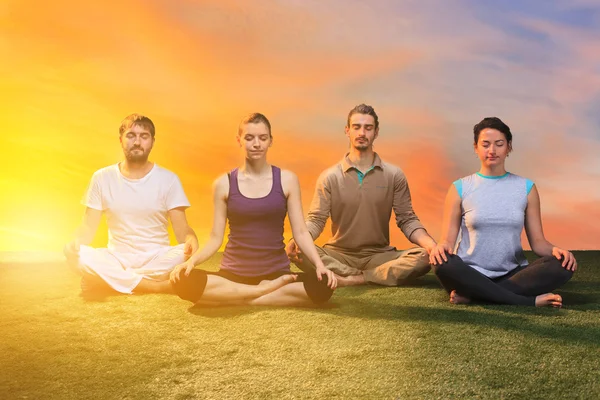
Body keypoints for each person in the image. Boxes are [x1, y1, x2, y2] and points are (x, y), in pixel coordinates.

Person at [64, 113, 292, 301]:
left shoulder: (168, 179)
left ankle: (108, 280)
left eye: (144, 136)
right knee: (80, 257)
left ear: (152, 141)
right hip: (118, 256)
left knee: (181, 256)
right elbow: (87, 227)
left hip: (158, 258)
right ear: (121, 140)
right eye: (131, 135)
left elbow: (182, 229)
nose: (137, 141)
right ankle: (155, 287)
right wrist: (75, 243)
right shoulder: (101, 178)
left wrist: (191, 240)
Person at [170, 113, 337, 307]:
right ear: (239, 140)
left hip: (278, 273)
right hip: (232, 276)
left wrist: (319, 265)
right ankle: (262, 292)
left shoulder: (287, 180)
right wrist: (191, 263)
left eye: (262, 138)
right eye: (249, 138)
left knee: (324, 285)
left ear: (270, 141)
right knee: (182, 281)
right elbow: (215, 238)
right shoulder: (223, 184)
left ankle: (238, 297)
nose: (256, 144)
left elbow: (300, 232)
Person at [429, 117, 576, 307]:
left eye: (499, 144)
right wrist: (441, 246)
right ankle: (526, 301)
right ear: (476, 148)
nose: (492, 150)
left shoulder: (526, 188)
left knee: (561, 265)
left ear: (509, 147)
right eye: (485, 144)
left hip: (513, 274)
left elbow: (538, 243)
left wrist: (556, 250)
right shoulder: (460, 187)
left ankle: (476, 295)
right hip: (470, 273)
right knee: (440, 262)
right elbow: (447, 241)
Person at [286, 104, 436, 287]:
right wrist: (299, 240)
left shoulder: (394, 174)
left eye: (368, 128)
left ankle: (353, 279)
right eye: (356, 127)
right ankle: (371, 276)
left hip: (380, 256)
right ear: (347, 131)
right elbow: (316, 220)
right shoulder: (329, 177)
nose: (362, 133)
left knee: (425, 256)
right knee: (302, 251)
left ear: (376, 132)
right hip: (339, 255)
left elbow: (407, 219)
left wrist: (431, 245)